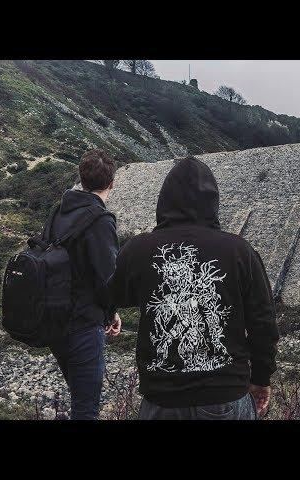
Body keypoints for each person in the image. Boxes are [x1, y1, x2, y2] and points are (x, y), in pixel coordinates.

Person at [108, 156, 279, 420]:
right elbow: (263, 323)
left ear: (164, 201)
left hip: (162, 399)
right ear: (213, 202)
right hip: (226, 395)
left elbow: (108, 295)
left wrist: (113, 312)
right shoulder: (239, 251)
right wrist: (261, 377)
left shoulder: (138, 249)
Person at [47, 149, 122, 420]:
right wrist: (112, 312)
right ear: (111, 183)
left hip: (55, 320)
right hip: (83, 324)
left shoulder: (58, 211)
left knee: (79, 396)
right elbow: (108, 278)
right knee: (86, 407)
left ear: (81, 178)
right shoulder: (100, 220)